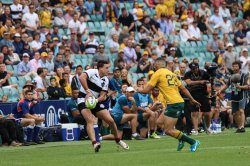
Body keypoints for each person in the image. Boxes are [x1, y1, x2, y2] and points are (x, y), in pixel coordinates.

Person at [137, 58, 201, 152]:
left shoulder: (157, 73)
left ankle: (193, 142)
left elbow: (146, 90)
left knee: (168, 130)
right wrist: (192, 99)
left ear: (156, 65)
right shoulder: (172, 74)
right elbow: (183, 89)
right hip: (175, 102)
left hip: (174, 103)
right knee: (158, 122)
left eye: (154, 65)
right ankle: (180, 138)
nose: (154, 66)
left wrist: (139, 90)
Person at [78, 60, 129, 152]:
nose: (108, 70)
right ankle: (95, 143)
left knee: (111, 121)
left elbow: (103, 95)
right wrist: (88, 92)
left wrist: (95, 100)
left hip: (95, 101)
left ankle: (118, 140)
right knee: (90, 120)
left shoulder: (105, 80)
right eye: (106, 68)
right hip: (83, 99)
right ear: (100, 68)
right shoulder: (92, 72)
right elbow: (81, 78)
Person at [219, 61, 249, 133]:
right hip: (234, 95)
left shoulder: (244, 75)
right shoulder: (231, 76)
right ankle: (239, 127)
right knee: (234, 113)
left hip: (242, 95)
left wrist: (240, 86)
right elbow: (226, 85)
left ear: (239, 67)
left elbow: (247, 86)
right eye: (233, 66)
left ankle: (242, 126)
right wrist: (220, 90)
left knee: (241, 111)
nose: (234, 67)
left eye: (236, 66)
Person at [184, 62, 211, 135]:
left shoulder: (203, 73)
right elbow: (188, 83)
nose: (195, 70)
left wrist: (209, 87)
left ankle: (208, 128)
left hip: (203, 94)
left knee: (207, 113)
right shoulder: (188, 74)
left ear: (198, 67)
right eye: (193, 69)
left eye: (196, 68)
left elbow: (209, 80)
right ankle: (196, 130)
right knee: (194, 112)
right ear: (191, 69)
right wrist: (200, 81)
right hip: (193, 94)